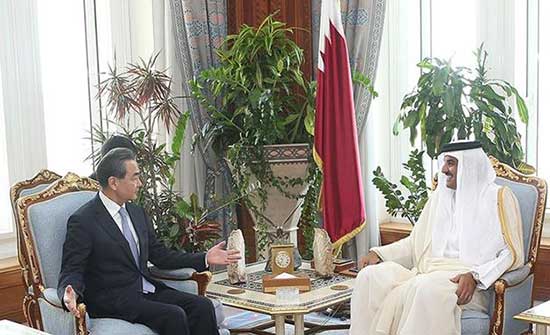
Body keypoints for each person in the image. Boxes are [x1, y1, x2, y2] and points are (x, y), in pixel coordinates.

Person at [58, 148, 241, 335]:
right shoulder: (84, 220)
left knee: (202, 306)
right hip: (112, 299)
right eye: (134, 178)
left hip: (146, 290)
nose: (140, 183)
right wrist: (68, 294)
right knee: (174, 315)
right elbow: (72, 268)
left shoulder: (137, 213)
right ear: (113, 182)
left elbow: (160, 255)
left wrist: (205, 258)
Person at [350, 141, 524, 335]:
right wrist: (379, 254)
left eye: (450, 163)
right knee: (370, 276)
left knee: (423, 287)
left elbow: (511, 253)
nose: (444, 169)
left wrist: (476, 276)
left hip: (465, 284)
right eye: (444, 162)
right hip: (425, 273)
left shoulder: (498, 198)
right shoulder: (439, 196)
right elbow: (414, 243)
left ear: (469, 165)